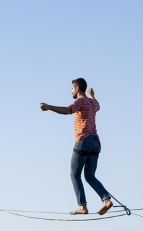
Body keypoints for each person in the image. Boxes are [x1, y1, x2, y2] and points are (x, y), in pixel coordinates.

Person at [40, 78, 114, 216]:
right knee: (89, 176)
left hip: (84, 140)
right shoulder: (92, 102)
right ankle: (106, 200)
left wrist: (49, 107)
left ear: (77, 88)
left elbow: (68, 110)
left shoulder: (80, 101)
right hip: (96, 143)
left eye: (72, 89)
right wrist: (92, 95)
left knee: (74, 174)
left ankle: (82, 206)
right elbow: (98, 106)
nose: (71, 91)